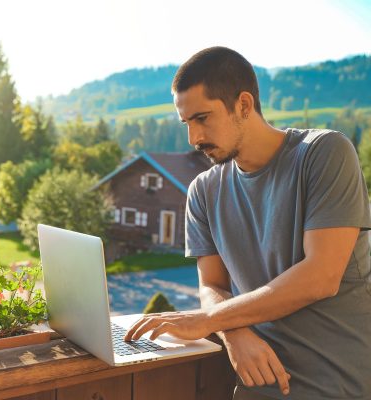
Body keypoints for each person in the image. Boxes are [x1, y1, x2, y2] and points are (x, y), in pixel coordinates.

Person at [124, 47, 371, 400]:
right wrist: (232, 332)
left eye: (203, 118)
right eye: (187, 123)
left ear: (243, 104)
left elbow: (321, 276)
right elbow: (211, 285)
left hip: (336, 386)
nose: (193, 138)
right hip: (255, 388)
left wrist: (209, 322)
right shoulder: (203, 191)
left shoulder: (324, 153)